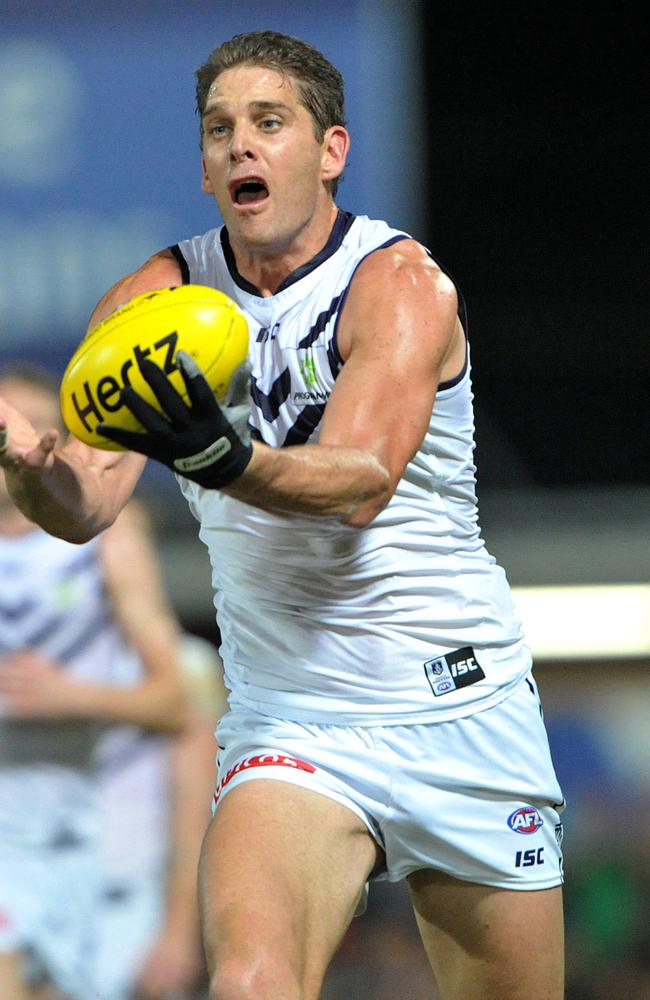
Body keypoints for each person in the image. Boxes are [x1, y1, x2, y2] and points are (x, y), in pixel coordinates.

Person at [0, 30, 566, 1000]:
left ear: (331, 149)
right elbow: (87, 502)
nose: (240, 147)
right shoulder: (155, 297)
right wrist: (24, 465)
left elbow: (358, 480)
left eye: (269, 122)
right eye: (219, 129)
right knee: (252, 984)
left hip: (460, 708)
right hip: (294, 723)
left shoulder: (398, 285)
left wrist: (221, 456)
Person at [0, 365, 189, 1000]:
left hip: (86, 841)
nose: (19, 450)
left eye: (35, 432)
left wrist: (70, 696)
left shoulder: (104, 538)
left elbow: (176, 705)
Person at [94, 632, 227, 1000]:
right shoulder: (23, 652)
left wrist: (179, 928)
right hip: (35, 884)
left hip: (131, 904)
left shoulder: (183, 663)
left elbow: (196, 807)